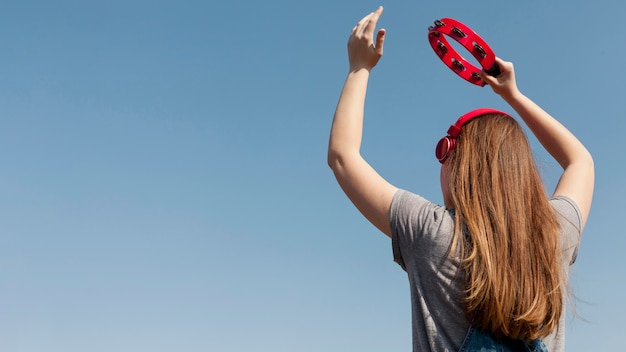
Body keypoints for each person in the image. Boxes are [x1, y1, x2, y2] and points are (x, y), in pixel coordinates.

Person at [327, 6, 594, 352]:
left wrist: (359, 67)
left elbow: (342, 158)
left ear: (458, 160)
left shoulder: (433, 232)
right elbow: (580, 161)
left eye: (443, 152)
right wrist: (514, 95)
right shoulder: (556, 234)